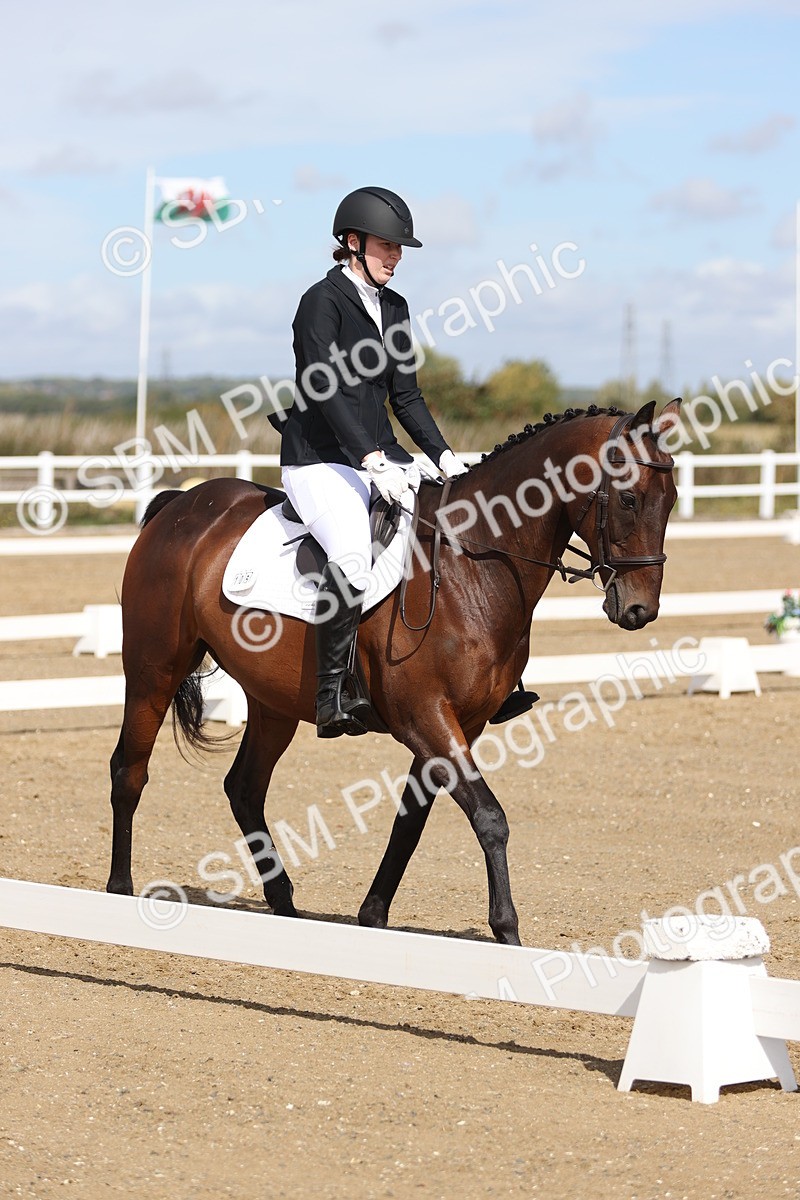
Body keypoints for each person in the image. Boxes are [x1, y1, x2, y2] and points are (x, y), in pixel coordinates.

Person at [280, 186, 469, 739]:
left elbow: (405, 397)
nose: (396, 256)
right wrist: (369, 458)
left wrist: (444, 456)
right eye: (387, 245)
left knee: (448, 536)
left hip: (381, 458)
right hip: (319, 459)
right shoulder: (322, 301)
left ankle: (468, 679)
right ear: (353, 242)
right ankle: (333, 693)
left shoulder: (396, 308)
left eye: (399, 247)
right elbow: (323, 389)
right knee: (353, 557)